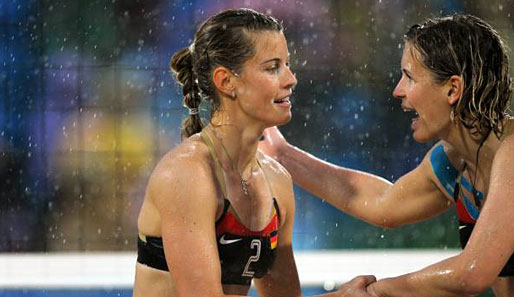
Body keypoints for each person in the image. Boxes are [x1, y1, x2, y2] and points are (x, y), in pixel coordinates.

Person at [259, 14, 514, 297]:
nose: (397, 91)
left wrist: (376, 292)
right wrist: (282, 155)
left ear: (453, 89)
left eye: (409, 77)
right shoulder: (455, 159)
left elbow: (472, 273)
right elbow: (384, 204)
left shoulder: (512, 150)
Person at [132, 8, 376, 297]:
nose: (291, 79)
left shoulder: (277, 181)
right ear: (226, 82)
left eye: (287, 64)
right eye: (273, 67)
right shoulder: (186, 174)